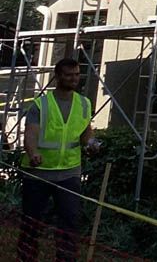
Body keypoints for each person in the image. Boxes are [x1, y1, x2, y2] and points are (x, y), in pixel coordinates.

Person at [19, 57, 100, 262]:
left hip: (69, 173)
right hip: (39, 174)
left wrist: (91, 144)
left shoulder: (84, 103)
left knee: (69, 223)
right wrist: (33, 153)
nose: (74, 79)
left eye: (77, 74)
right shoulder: (42, 104)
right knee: (32, 222)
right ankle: (26, 258)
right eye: (69, 75)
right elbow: (30, 134)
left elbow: (84, 133)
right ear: (58, 77)